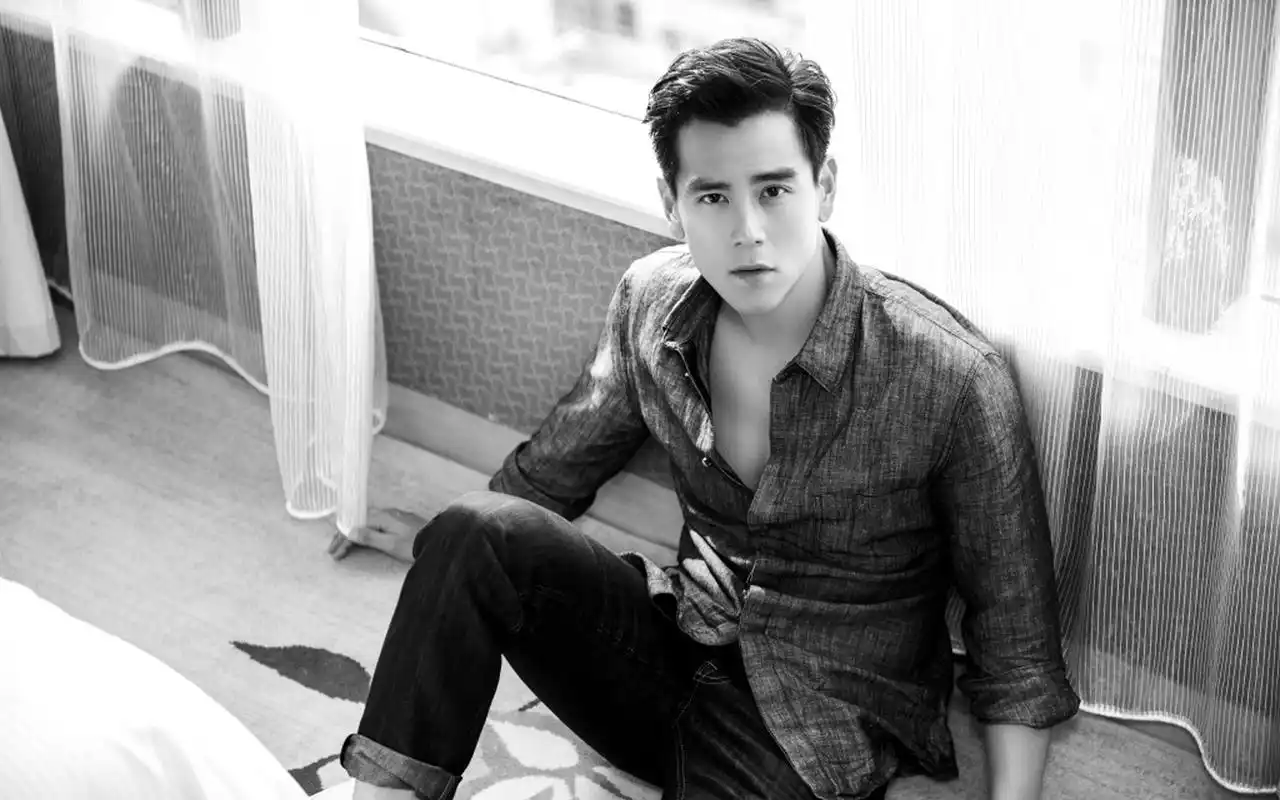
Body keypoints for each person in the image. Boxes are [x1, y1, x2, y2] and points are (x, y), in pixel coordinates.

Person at [332, 36, 1080, 800]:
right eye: (714, 197)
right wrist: (443, 558)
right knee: (474, 530)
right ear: (672, 203)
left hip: (814, 730)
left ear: (823, 187)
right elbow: (553, 471)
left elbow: (1018, 652)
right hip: (670, 648)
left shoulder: (951, 377)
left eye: (774, 190)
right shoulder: (652, 300)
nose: (747, 230)